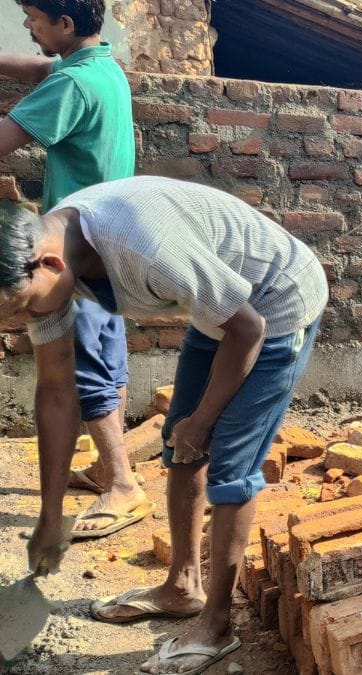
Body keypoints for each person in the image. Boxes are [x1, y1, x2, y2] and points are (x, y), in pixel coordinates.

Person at [4, 176, 328, 675]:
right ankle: (182, 588)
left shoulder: (143, 246)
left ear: (51, 264)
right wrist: (51, 513)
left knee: (229, 466)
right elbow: (54, 391)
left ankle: (217, 625)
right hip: (218, 309)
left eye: (23, 307)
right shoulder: (49, 251)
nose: (25, 319)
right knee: (180, 444)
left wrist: (204, 419)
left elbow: (249, 328)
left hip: (272, 304)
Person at [0, 0, 146, 539]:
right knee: (107, 355)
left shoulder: (72, 88)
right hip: (110, 240)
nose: (26, 26)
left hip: (75, 248)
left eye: (34, 19)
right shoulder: (100, 69)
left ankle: (124, 487)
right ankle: (111, 468)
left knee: (85, 367)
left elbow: (4, 139)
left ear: (64, 25)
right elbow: (40, 68)